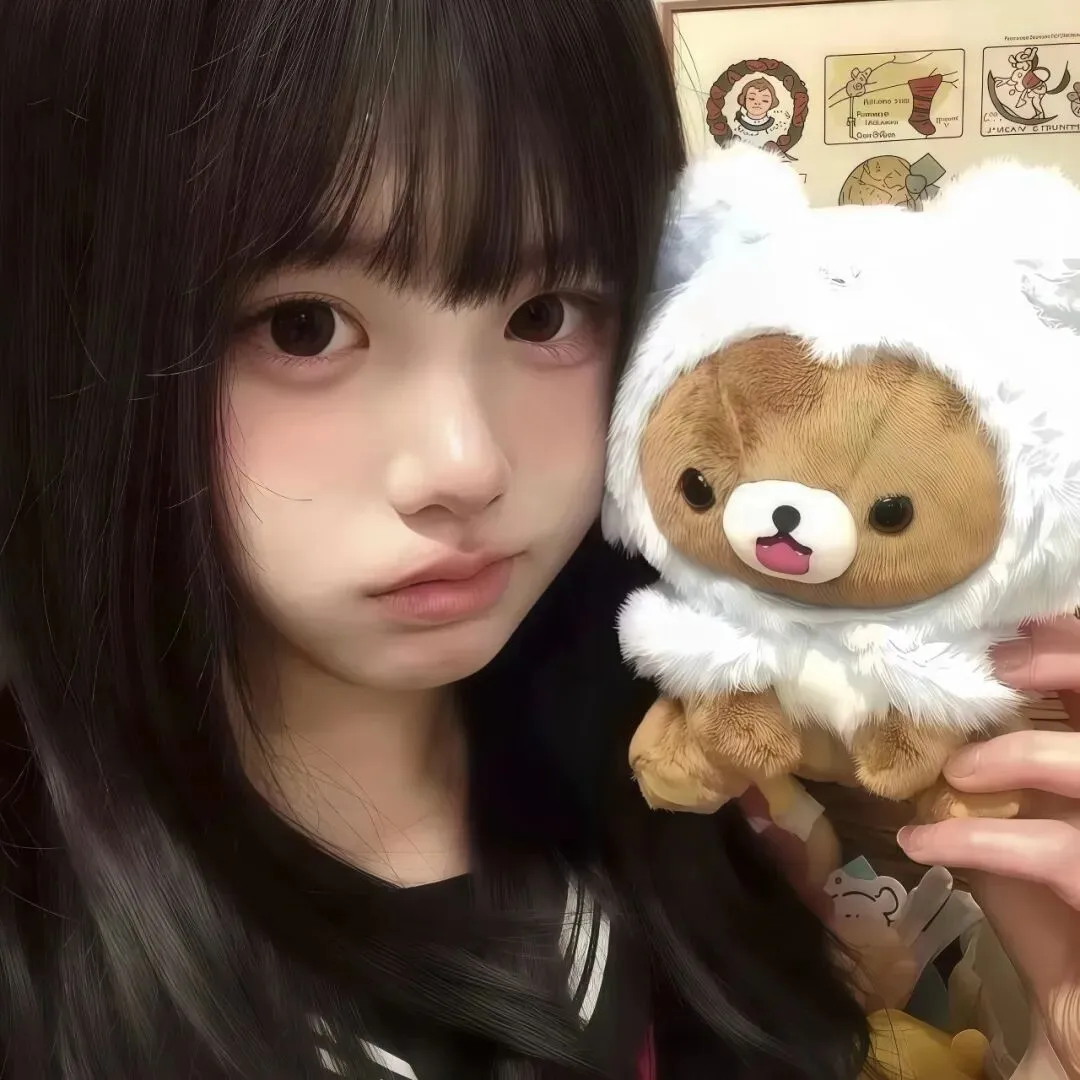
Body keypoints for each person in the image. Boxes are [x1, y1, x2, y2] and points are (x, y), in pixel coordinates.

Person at [0, 2, 1077, 1078]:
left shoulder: (686, 785)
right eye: (305, 326)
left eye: (546, 315)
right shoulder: (42, 933)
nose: (466, 464)